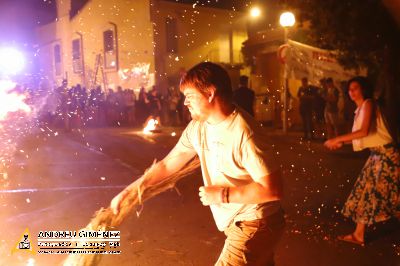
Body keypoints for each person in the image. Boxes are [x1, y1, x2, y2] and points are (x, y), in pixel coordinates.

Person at [111, 62, 285, 265]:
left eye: (190, 96)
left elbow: (273, 190)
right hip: (242, 224)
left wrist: (223, 195)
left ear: (210, 93)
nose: (185, 103)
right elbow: (167, 165)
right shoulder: (198, 127)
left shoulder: (245, 133)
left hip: (256, 224)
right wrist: (130, 192)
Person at [324, 76, 400, 246]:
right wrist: (343, 141)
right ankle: (359, 234)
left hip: (387, 156)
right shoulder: (360, 110)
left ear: (363, 89)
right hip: (377, 156)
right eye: (350, 89)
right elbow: (364, 135)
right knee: (368, 193)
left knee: (389, 197)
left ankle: (359, 234)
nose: (352, 92)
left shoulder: (369, 104)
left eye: (355, 88)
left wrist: (338, 139)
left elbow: (364, 131)